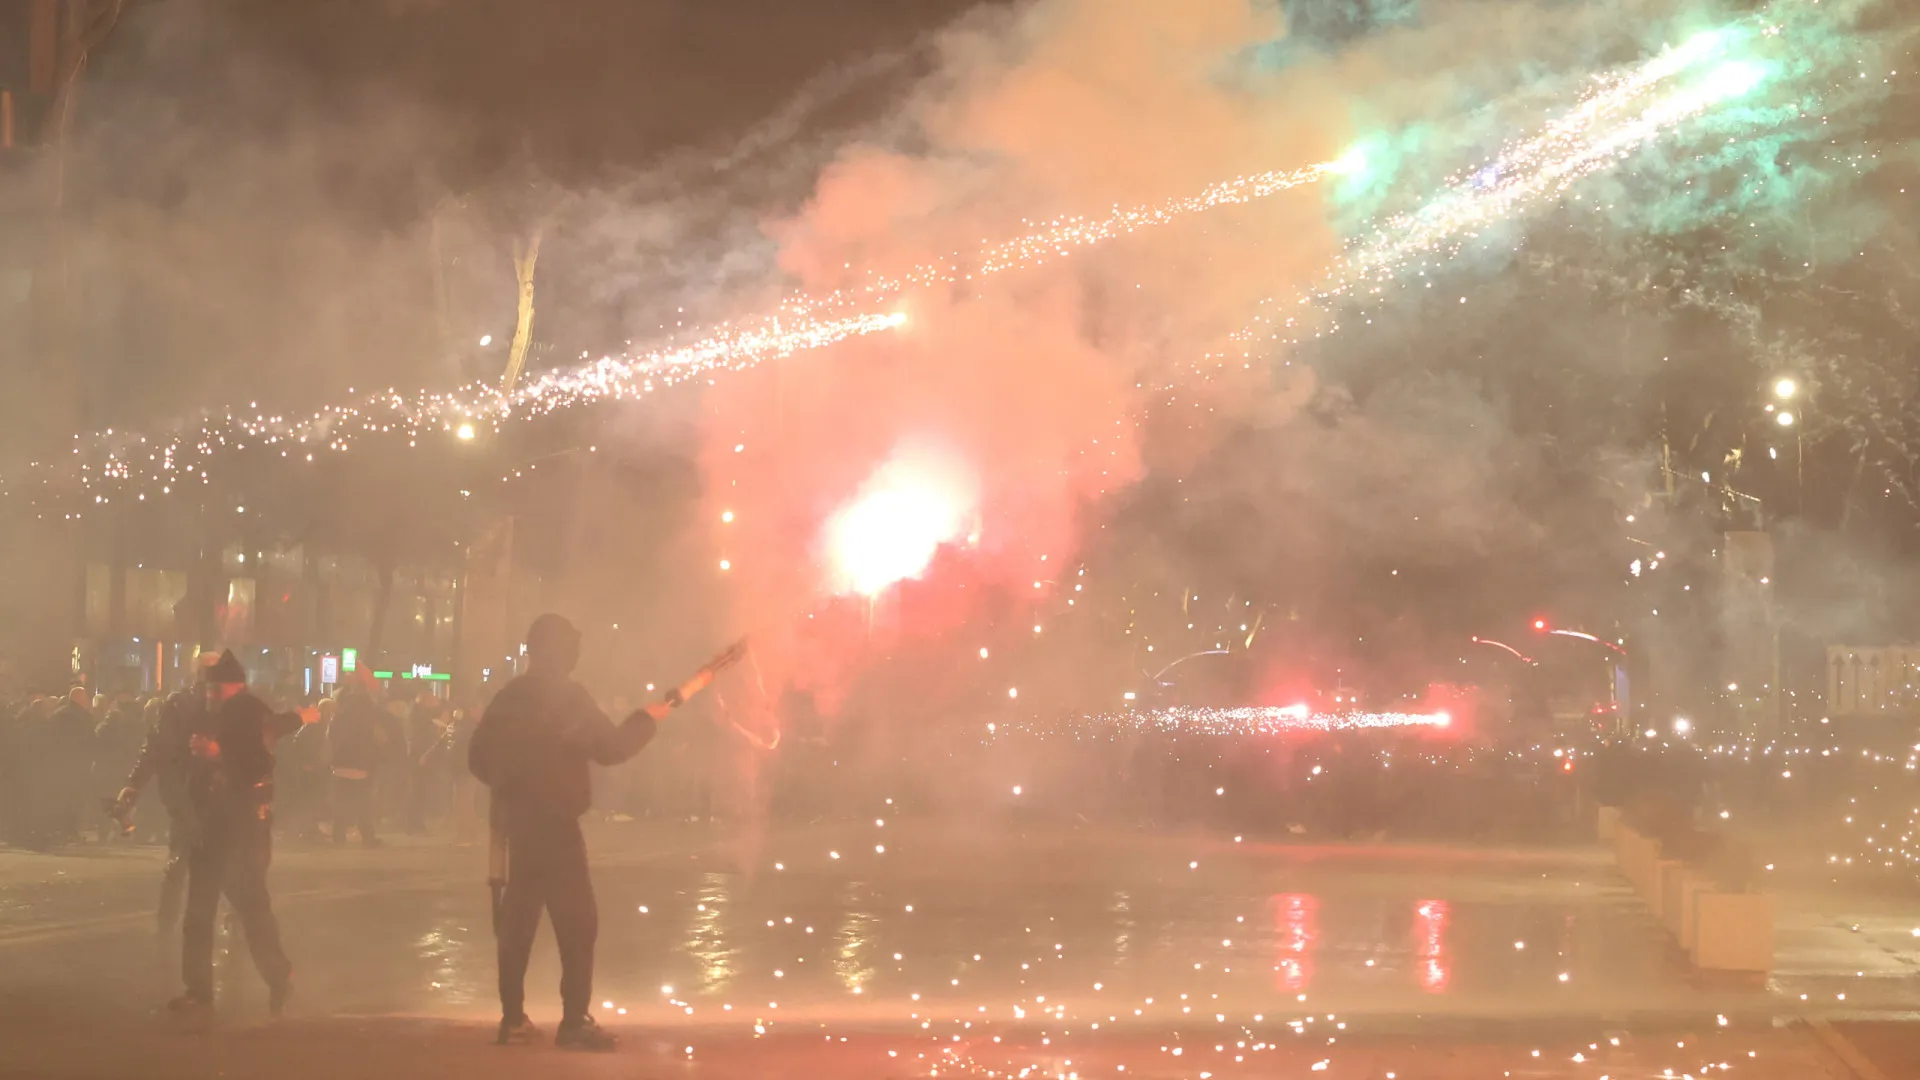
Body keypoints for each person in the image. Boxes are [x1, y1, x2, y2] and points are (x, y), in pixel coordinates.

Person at [468, 614, 739, 1050]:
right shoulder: (566, 698)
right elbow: (612, 748)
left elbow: (477, 759)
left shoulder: (508, 697)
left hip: (518, 826)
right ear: (560, 651)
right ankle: (574, 1021)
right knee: (578, 924)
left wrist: (509, 785)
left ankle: (512, 1018)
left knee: (516, 924)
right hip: (556, 828)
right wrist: (648, 719)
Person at [169, 650, 314, 1020]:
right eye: (206, 688)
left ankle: (279, 976)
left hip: (242, 829)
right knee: (199, 912)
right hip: (209, 826)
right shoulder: (207, 713)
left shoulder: (251, 712)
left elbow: (259, 763)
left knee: (252, 909)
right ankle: (198, 991)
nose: (210, 694)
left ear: (237, 685)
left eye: (216, 688)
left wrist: (218, 754)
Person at [112, 657, 220, 934]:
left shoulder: (230, 706)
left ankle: (199, 923)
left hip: (218, 794)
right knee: (182, 857)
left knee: (214, 860)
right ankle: (169, 923)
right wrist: (135, 783)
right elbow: (157, 747)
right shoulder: (181, 705)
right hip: (187, 792)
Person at [327, 670, 385, 847]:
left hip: (340, 764)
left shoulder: (337, 717)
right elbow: (377, 740)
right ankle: (367, 837)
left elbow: (331, 738)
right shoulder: (367, 719)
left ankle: (338, 837)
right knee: (363, 803)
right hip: (361, 764)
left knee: (341, 803)